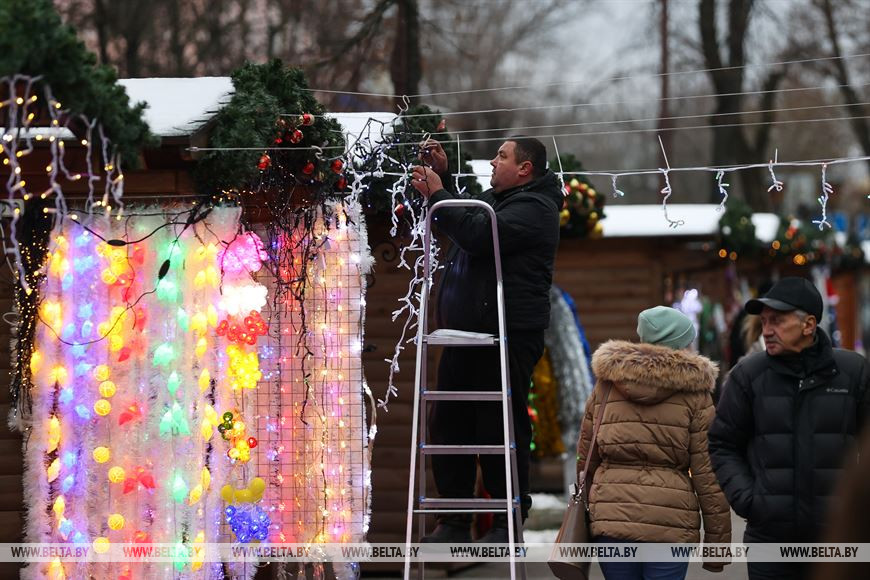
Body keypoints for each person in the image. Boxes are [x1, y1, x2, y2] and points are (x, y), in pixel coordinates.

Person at [409, 136, 562, 543]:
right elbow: (466, 220)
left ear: (525, 168)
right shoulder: (497, 200)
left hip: (506, 334)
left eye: (502, 156)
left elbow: (477, 234)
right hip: (465, 333)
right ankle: (454, 519)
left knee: (498, 426)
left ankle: (507, 522)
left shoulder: (536, 208)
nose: (493, 162)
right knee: (449, 423)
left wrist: (438, 193)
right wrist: (442, 179)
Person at [708, 276, 870, 580]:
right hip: (770, 542)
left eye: (777, 321)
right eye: (764, 321)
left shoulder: (853, 372)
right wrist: (750, 500)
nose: (767, 330)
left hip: (837, 539)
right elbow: (722, 443)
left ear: (809, 325)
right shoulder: (747, 375)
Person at [576, 306, 731, 578]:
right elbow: (708, 474)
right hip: (670, 521)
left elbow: (586, 457)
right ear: (680, 344)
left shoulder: (606, 386)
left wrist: (589, 513)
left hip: (613, 516)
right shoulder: (695, 395)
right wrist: (717, 544)